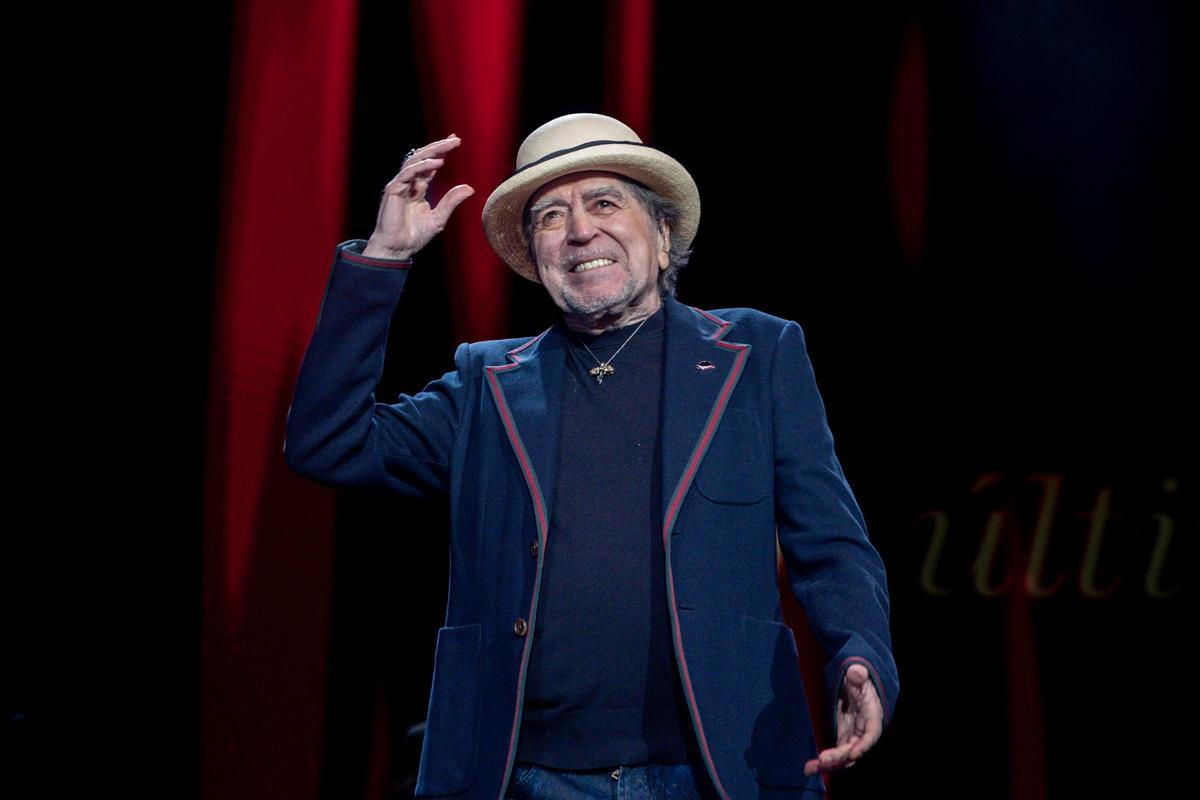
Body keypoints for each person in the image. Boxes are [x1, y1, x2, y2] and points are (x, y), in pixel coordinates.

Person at [284, 113, 898, 800]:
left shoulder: (757, 355)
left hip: (721, 769)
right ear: (536, 257)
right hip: (524, 775)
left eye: (604, 203)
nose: (579, 231)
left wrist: (861, 655)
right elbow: (327, 442)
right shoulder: (487, 384)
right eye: (551, 216)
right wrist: (384, 258)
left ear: (662, 237)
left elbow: (831, 543)